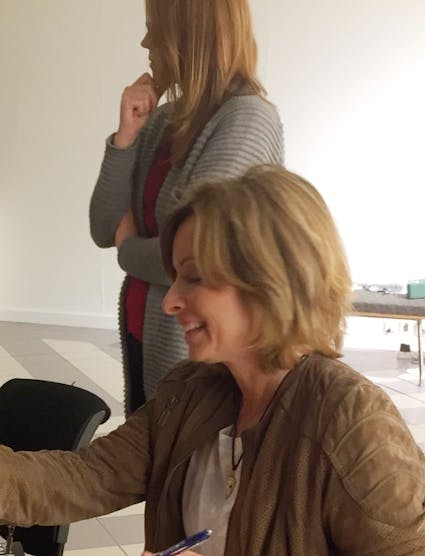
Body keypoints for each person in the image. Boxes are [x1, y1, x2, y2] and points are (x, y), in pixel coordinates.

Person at [0, 166, 425, 556]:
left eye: (195, 279)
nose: (171, 301)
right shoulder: (194, 390)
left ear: (272, 280)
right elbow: (87, 476)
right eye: (175, 277)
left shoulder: (353, 424)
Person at [89, 0, 284, 414]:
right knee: (151, 457)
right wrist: (125, 137)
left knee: (187, 460)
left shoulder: (247, 120)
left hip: (195, 340)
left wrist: (129, 247)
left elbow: (195, 260)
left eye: (153, 29)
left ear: (187, 37)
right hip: (146, 324)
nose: (145, 41)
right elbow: (104, 226)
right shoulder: (161, 121)